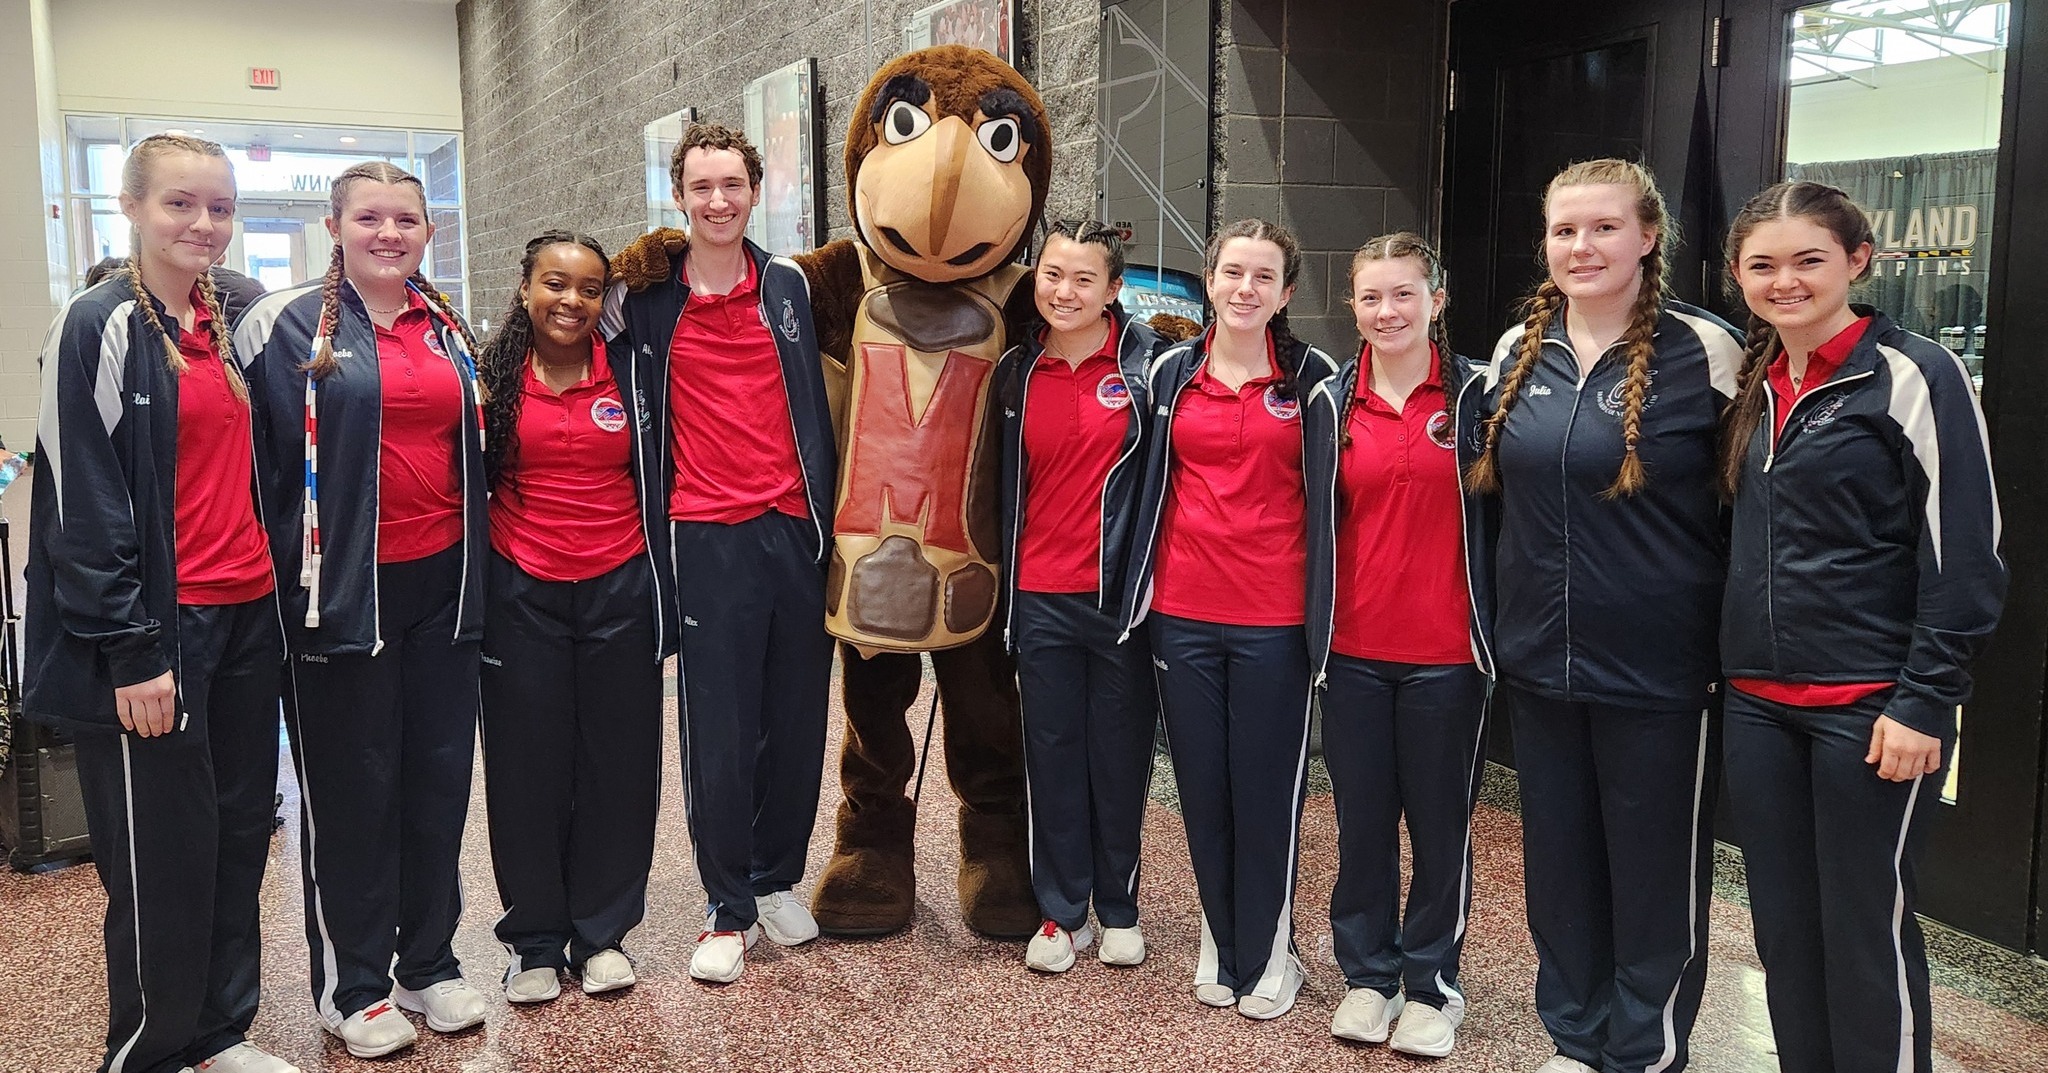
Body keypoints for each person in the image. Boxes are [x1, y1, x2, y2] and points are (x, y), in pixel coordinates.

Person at [1462, 158, 1743, 1073]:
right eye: (1564, 230)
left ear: (1649, 236)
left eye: (1604, 228)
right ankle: (1576, 1040)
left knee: (1654, 878)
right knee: (1562, 873)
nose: (1581, 247)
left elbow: (1751, 508)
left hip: (1661, 671)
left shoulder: (1708, 351)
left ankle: (1645, 1051)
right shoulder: (1515, 353)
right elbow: (1498, 510)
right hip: (1541, 662)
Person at [1717, 181, 2004, 1073]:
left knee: (1863, 925)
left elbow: (1965, 551)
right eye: (1763, 264)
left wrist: (1925, 700)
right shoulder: (1754, 385)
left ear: (1858, 260)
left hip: (1872, 707)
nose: (1786, 281)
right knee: (1784, 928)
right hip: (1759, 702)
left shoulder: (1913, 374)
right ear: (1738, 275)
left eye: (1809, 260)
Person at [24, 133, 296, 1073]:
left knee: (234, 835)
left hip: (247, 617)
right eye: (181, 203)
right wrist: (133, 649)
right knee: (157, 857)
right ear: (132, 208)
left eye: (220, 207)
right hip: (154, 632)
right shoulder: (96, 325)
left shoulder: (232, 320)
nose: (204, 224)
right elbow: (81, 504)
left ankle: (220, 1031)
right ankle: (148, 1050)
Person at [236, 161, 489, 1059]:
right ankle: (355, 984)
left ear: (428, 230)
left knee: (436, 782)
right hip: (339, 595)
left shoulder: (448, 325)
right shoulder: (287, 323)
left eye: (407, 219)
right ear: (335, 222)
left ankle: (427, 960)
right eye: (371, 218)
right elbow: (253, 465)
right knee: (353, 792)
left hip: (443, 588)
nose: (390, 234)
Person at [601, 122, 838, 984]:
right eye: (701, 186)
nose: (717, 201)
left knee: (799, 716)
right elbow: (567, 310)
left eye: (731, 184)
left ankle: (777, 877)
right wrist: (619, 268)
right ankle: (726, 904)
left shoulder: (785, 285)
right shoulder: (649, 297)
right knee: (722, 730)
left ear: (755, 188)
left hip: (794, 530)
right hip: (705, 534)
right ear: (679, 195)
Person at [1118, 217, 1337, 1020]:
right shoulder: (1173, 374)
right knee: (1203, 785)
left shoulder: (1313, 379)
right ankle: (1222, 933)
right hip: (1182, 613)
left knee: (1268, 789)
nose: (1246, 288)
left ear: (1284, 292)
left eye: (1263, 276)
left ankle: (1270, 945)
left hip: (1276, 620)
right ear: (1210, 280)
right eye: (1232, 272)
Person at [1302, 232, 1490, 1059]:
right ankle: (1369, 976)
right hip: (1352, 652)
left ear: (1436, 300)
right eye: (1372, 297)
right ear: (1353, 305)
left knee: (1440, 824)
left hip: (1449, 655)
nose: (1388, 311)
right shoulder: (1331, 404)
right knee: (1363, 823)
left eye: (1405, 294)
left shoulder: (1482, 398)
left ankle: (1432, 985)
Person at [476, 231, 666, 1004]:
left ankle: (603, 936)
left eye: (590, 289)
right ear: (526, 288)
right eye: (555, 283)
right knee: (527, 769)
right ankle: (533, 943)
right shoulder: (491, 378)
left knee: (619, 765)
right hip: (520, 589)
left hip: (620, 587)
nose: (572, 301)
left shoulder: (629, 373)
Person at [993, 220, 1168, 973]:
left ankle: (1119, 904)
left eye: (1083, 279)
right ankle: (1063, 912)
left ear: (1114, 288)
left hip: (1119, 600)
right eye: (1053, 275)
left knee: (1120, 754)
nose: (1065, 292)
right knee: (1053, 752)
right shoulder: (1015, 372)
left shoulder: (1150, 367)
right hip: (1038, 593)